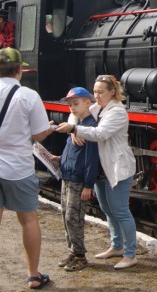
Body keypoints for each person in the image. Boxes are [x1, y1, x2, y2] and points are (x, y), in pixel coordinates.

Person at [0, 48, 54, 291]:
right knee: (28, 220)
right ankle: (33, 276)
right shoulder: (28, 95)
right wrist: (48, 128)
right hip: (19, 168)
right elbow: (38, 134)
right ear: (19, 69)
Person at [56, 74, 138, 270]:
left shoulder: (117, 111)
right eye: (94, 92)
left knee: (120, 210)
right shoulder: (98, 107)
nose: (97, 95)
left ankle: (130, 254)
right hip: (101, 168)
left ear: (112, 92)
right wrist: (74, 127)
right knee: (107, 209)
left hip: (117, 167)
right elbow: (76, 112)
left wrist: (75, 130)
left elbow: (101, 133)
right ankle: (116, 246)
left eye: (101, 92)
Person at [55, 87, 100, 272]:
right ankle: (73, 250)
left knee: (74, 217)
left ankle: (81, 255)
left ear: (88, 102)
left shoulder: (89, 127)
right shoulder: (77, 126)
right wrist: (58, 159)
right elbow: (72, 150)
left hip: (78, 180)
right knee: (66, 214)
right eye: (70, 104)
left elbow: (91, 158)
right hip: (67, 176)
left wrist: (88, 185)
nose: (72, 107)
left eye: (76, 103)